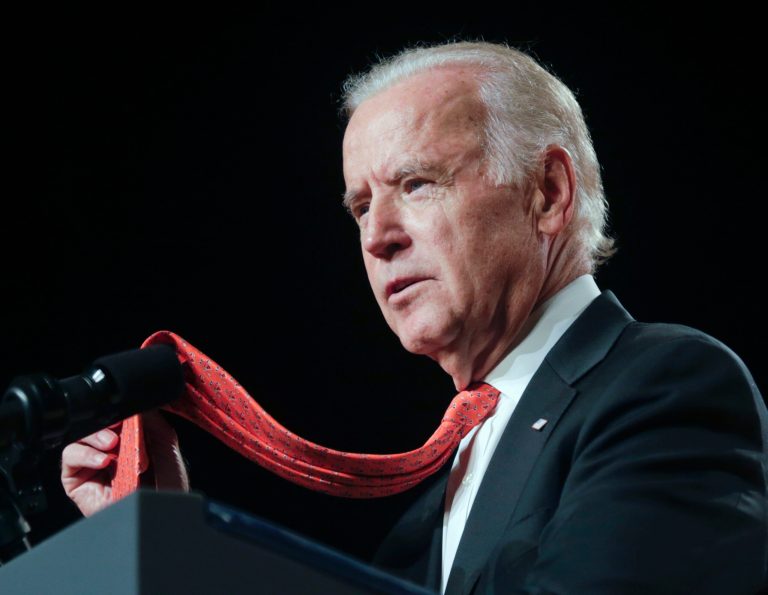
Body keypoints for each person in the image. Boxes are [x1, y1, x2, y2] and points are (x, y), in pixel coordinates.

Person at [61, 41, 768, 593]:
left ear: (548, 193)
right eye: (362, 207)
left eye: (417, 184)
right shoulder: (429, 511)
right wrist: (167, 544)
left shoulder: (664, 386)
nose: (377, 236)